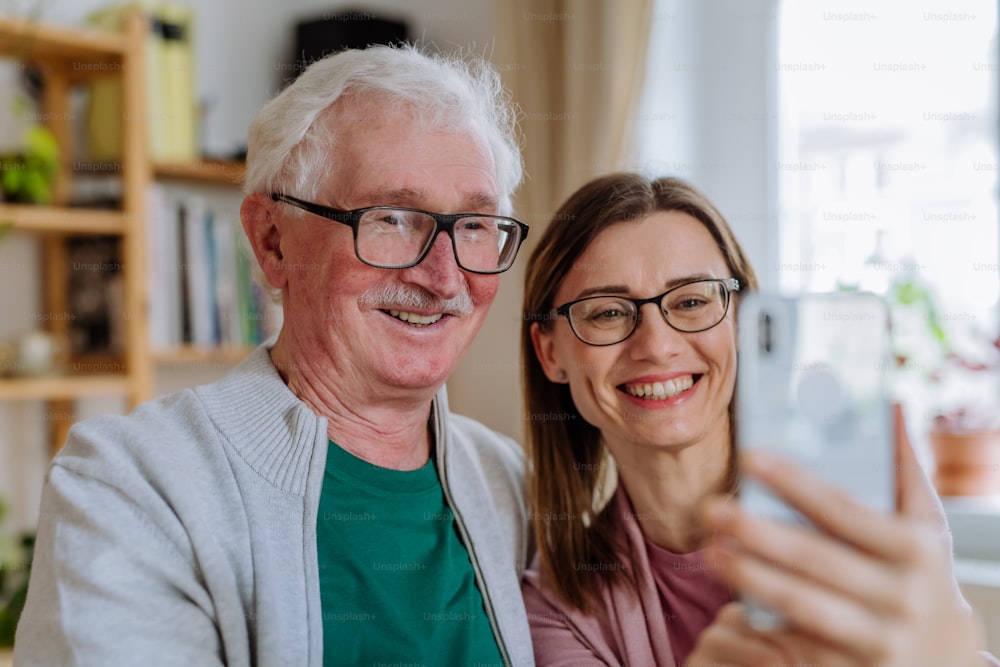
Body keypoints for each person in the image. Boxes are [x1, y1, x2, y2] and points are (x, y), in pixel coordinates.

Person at [15, 45, 534, 666]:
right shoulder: (131, 485)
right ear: (271, 242)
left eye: (475, 226)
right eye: (393, 218)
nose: (445, 278)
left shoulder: (511, 484)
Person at [520, 172, 996, 666]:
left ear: (742, 319)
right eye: (607, 313)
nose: (656, 346)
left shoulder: (860, 516)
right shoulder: (559, 611)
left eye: (691, 301)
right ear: (550, 351)